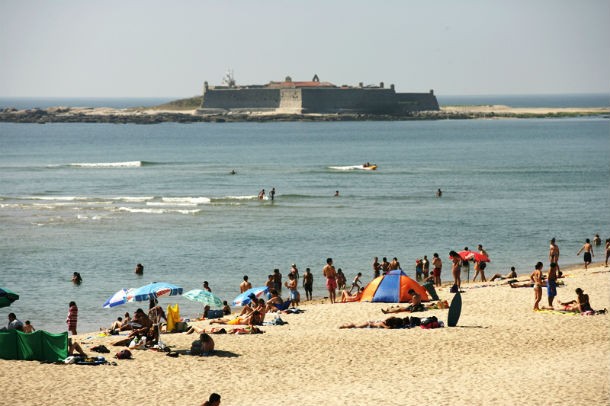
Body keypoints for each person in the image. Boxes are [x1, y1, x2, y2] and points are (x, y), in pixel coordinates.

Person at [339, 316, 410, 329]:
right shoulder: (383, 323)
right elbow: (381, 324)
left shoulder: (387, 321)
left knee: (356, 325)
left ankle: (346, 325)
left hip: (370, 323)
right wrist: (386, 327)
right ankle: (344, 326)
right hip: (369, 323)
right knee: (355, 326)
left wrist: (386, 322)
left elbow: (392, 317)